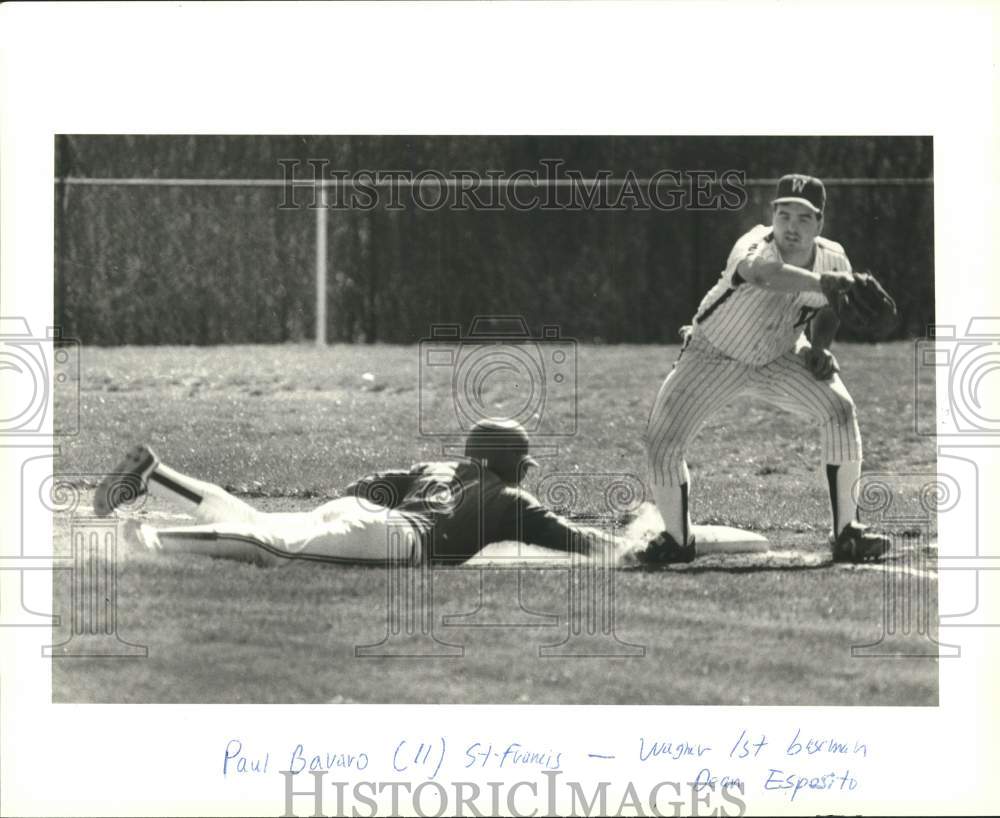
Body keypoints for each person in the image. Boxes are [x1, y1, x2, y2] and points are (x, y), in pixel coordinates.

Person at [642, 173, 890, 565]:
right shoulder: (755, 245)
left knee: (839, 409)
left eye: (803, 218)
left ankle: (848, 533)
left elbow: (829, 309)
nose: (792, 226)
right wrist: (823, 282)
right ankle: (676, 539)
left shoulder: (833, 258)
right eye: (784, 214)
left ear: (819, 222)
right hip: (713, 354)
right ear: (772, 215)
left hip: (780, 355)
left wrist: (820, 349)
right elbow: (764, 275)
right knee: (661, 442)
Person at [93, 418, 623, 566]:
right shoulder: (509, 502)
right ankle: (157, 539)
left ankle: (154, 476)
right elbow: (573, 539)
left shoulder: (435, 467)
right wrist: (629, 549)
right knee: (276, 550)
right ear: (517, 465)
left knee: (258, 522)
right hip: (393, 538)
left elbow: (363, 487)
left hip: (356, 511)